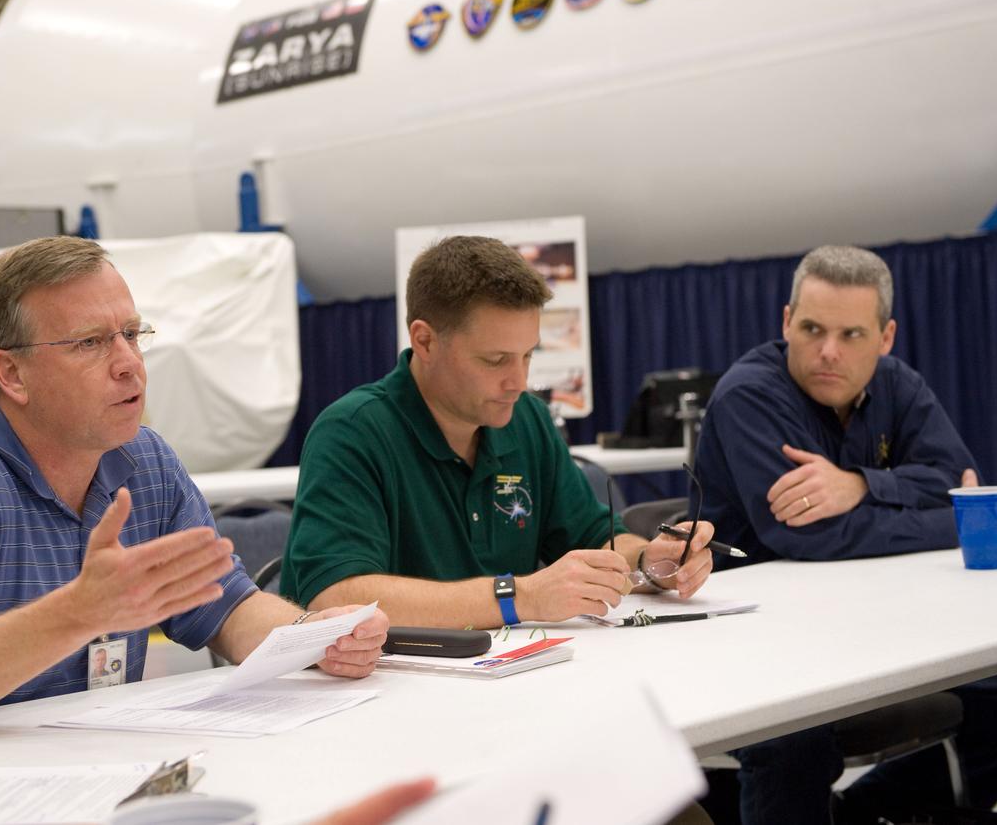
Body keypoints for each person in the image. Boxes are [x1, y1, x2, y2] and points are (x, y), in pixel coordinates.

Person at [0, 236, 388, 738]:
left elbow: (226, 609)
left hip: (102, 770)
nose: (130, 365)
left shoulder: (146, 462)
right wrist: (79, 613)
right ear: (11, 375)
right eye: (90, 343)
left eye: (130, 334)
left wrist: (313, 635)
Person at [692, 245, 997, 824]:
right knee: (793, 743)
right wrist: (942, 518)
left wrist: (860, 484)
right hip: (759, 641)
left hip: (874, 624)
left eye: (852, 335)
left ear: (885, 337)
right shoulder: (749, 395)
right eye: (811, 329)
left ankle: (862, 816)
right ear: (787, 322)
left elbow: (960, 482)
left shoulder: (898, 384)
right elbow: (808, 537)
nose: (828, 351)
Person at [281, 235, 715, 629]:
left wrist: (647, 560)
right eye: (495, 360)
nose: (518, 382)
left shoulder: (527, 420)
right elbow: (336, 596)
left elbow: (592, 538)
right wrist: (519, 597)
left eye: (527, 355)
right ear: (425, 341)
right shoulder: (352, 433)